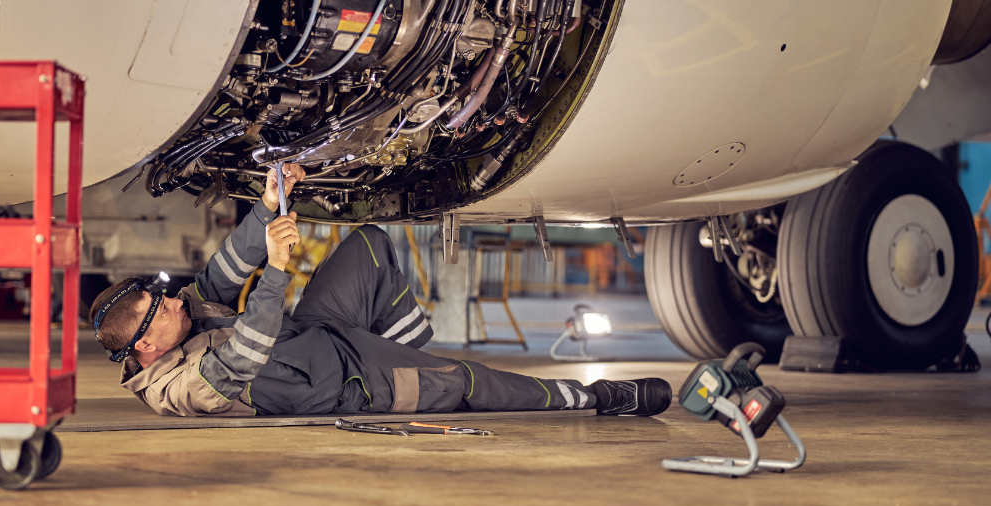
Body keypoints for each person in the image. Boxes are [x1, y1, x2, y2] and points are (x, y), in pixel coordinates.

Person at [90, 165, 672, 418]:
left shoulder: (184, 315)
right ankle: (595, 399)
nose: (173, 301)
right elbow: (245, 353)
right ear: (145, 347)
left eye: (160, 294)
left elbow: (223, 269)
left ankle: (411, 357)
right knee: (472, 384)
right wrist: (276, 272)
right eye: (158, 308)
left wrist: (268, 203)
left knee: (367, 245)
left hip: (322, 333)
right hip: (346, 387)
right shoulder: (178, 388)